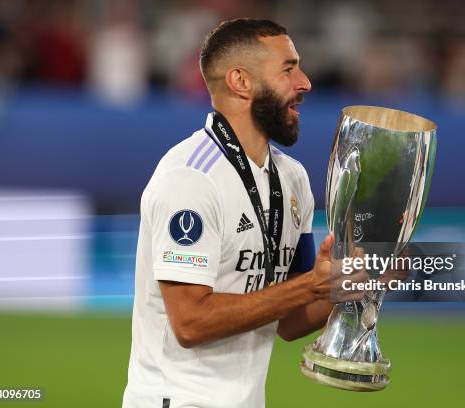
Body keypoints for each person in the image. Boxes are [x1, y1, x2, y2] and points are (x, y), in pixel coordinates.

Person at [121, 18, 387, 408]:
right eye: (288, 69)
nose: (305, 83)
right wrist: (309, 285)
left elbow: (290, 321)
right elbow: (190, 323)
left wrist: (346, 283)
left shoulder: (292, 179)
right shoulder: (190, 179)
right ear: (241, 82)